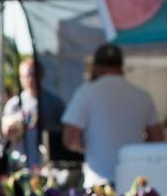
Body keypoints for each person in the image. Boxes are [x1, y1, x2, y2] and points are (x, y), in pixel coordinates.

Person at [62, 43, 163, 187]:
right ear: (121, 67)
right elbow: (157, 140)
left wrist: (87, 145)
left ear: (96, 67)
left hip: (98, 184)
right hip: (135, 182)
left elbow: (69, 140)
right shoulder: (143, 96)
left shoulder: (85, 93)